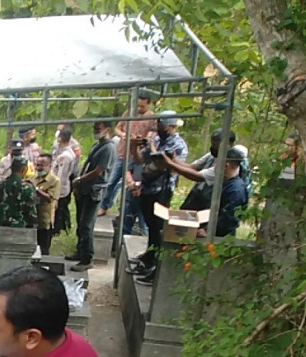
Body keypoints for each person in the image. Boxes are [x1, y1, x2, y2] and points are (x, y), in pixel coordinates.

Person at [126, 110, 189, 284]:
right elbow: (141, 161)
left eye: (162, 125)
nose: (159, 128)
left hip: (161, 191)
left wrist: (152, 148)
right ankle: (148, 256)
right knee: (150, 225)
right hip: (147, 188)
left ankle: (154, 264)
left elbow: (164, 165)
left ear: (172, 126)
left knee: (157, 228)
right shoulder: (156, 140)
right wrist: (135, 147)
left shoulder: (178, 145)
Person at [99, 88, 158, 220]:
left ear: (148, 104)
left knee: (132, 185)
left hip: (137, 156)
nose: (139, 108)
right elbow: (117, 129)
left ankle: (124, 211)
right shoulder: (129, 113)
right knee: (111, 181)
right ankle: (104, 206)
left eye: (142, 106)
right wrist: (124, 135)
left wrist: (140, 140)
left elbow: (151, 135)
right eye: (137, 105)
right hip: (122, 152)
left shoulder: (152, 118)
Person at [167, 146, 249, 239]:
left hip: (219, 239)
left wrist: (207, 231)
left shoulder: (236, 190)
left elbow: (228, 219)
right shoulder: (224, 183)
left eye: (217, 164)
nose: (215, 167)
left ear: (226, 165)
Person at [67, 121, 118, 272]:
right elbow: (88, 165)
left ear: (107, 129)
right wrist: (79, 181)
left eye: (98, 129)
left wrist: (80, 179)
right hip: (85, 188)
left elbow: (98, 171)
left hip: (94, 190)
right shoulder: (97, 145)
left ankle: (87, 258)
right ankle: (80, 250)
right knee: (80, 222)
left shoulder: (108, 148)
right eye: (94, 128)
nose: (95, 131)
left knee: (86, 225)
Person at [0, 156, 37, 230]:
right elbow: (31, 212)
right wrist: (33, 229)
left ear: (11, 168)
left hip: (1, 228)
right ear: (24, 169)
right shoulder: (27, 188)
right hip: (20, 229)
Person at [31, 153, 61, 256]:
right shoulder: (33, 178)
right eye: (37, 165)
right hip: (33, 218)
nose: (39, 168)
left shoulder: (54, 181)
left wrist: (36, 190)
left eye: (42, 165)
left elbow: (50, 198)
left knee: (43, 250)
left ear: (49, 166)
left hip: (45, 220)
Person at [51, 129, 79, 235]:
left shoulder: (65, 156)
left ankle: (58, 229)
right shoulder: (67, 153)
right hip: (63, 185)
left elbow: (61, 175)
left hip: (62, 187)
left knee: (60, 209)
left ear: (60, 138)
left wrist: (55, 189)